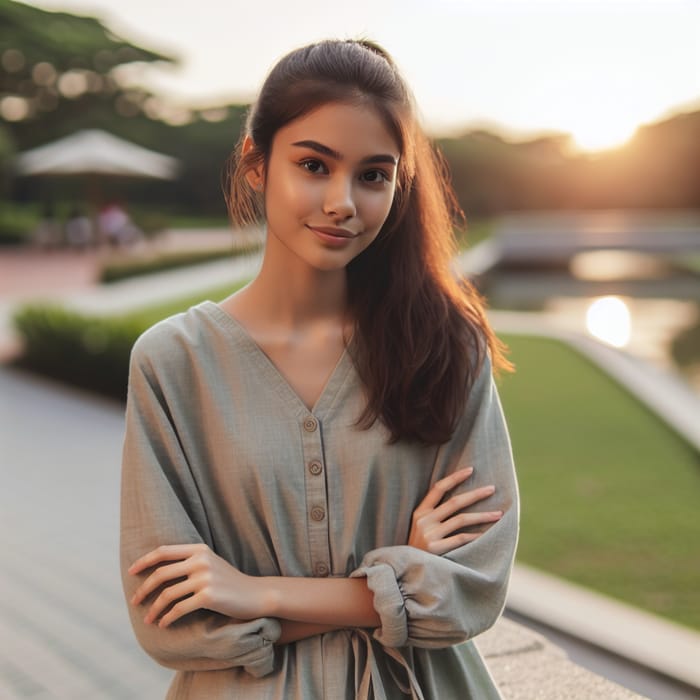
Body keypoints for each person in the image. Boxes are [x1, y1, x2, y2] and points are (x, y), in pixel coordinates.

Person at [120, 39, 518, 699]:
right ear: (256, 164)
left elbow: (471, 590)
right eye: (313, 165)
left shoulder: (448, 347)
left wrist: (256, 591)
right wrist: (394, 574)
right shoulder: (173, 364)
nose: (343, 203)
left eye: (373, 175)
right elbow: (174, 626)